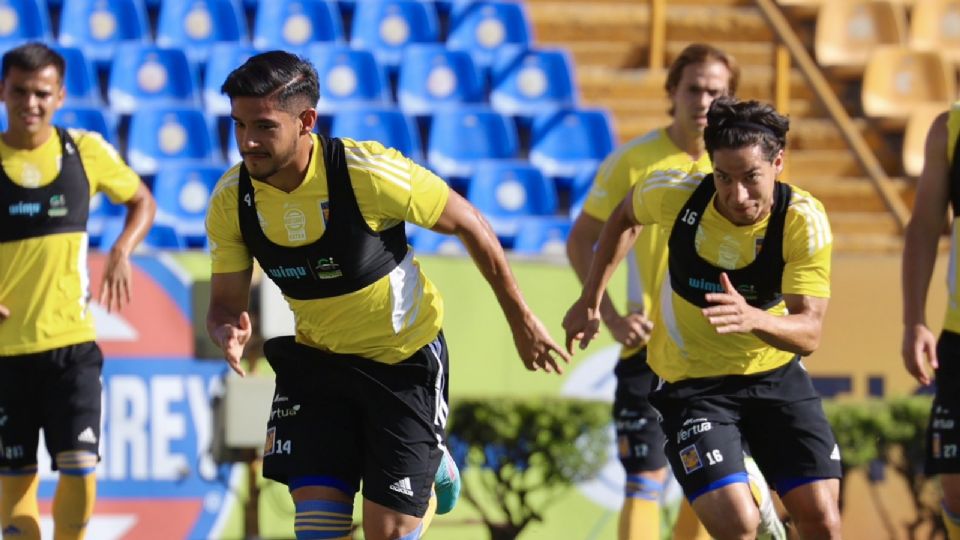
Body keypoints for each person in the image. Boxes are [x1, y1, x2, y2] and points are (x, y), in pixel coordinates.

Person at [205, 50, 569, 540]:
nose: (248, 142)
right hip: (319, 366)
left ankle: (429, 455)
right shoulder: (233, 199)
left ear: (307, 120)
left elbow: (471, 224)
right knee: (316, 530)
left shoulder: (366, 172)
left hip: (404, 365)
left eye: (264, 127)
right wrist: (227, 326)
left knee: (390, 534)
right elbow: (225, 305)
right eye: (239, 125)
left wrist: (521, 320)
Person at [563, 97, 842, 540]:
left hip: (774, 376)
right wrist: (591, 299)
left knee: (823, 519)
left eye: (751, 177)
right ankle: (756, 503)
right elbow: (623, 218)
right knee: (736, 524)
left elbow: (809, 332)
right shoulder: (675, 191)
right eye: (723, 178)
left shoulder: (802, 220)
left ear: (778, 163)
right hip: (694, 385)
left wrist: (753, 319)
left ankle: (762, 492)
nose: (736, 195)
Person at [0, 42, 156, 540]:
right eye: (20, 91)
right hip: (6, 353)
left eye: (42, 93)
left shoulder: (83, 150)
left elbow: (141, 201)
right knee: (15, 484)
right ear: (2, 91)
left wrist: (122, 250)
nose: (31, 103)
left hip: (71, 347)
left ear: (60, 96)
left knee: (81, 469)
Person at [901, 102, 960, 539]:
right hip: (958, 333)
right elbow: (924, 225)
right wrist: (914, 320)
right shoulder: (950, 127)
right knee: (956, 492)